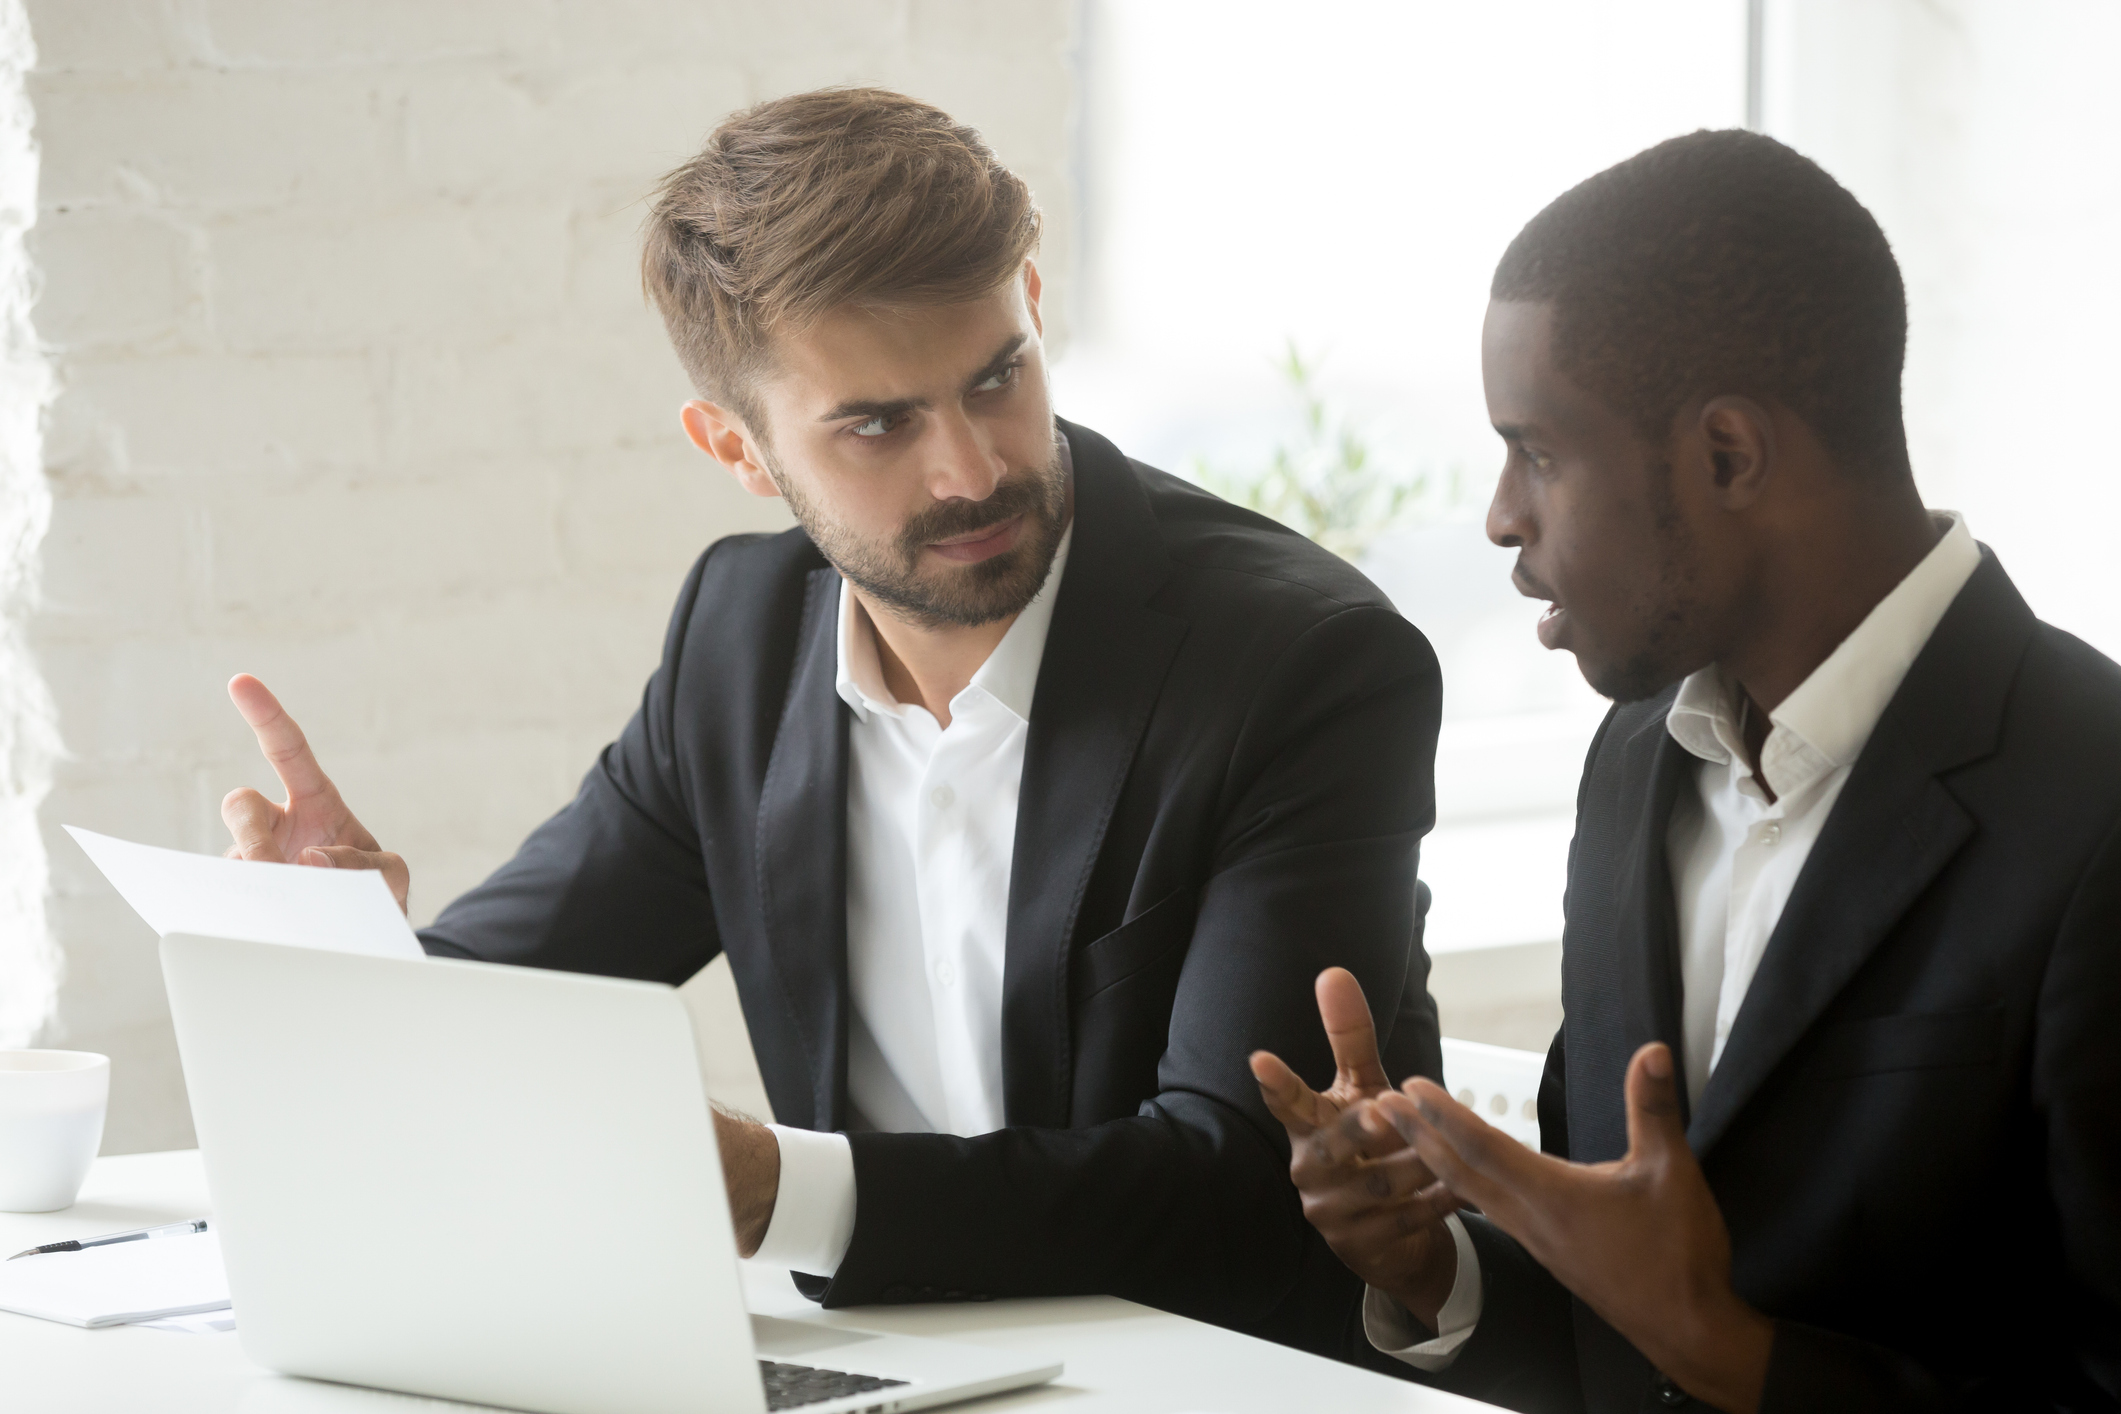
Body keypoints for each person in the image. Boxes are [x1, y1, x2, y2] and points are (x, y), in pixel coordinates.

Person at [215, 88, 1445, 1352]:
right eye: (876, 423)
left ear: (1031, 302)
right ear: (737, 448)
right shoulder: (738, 641)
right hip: (886, 1364)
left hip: (1198, 1371)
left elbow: (1232, 1179)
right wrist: (351, 954)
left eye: (997, 378)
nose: (969, 468)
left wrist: (769, 1188)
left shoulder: (1306, 667)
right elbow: (525, 993)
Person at [1253, 129, 2121, 1411]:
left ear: (1728, 454)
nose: (1500, 513)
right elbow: (1615, 1290)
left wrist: (1731, 1352)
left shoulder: (2092, 806)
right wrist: (1439, 1268)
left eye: (1539, 451)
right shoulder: (1635, 761)